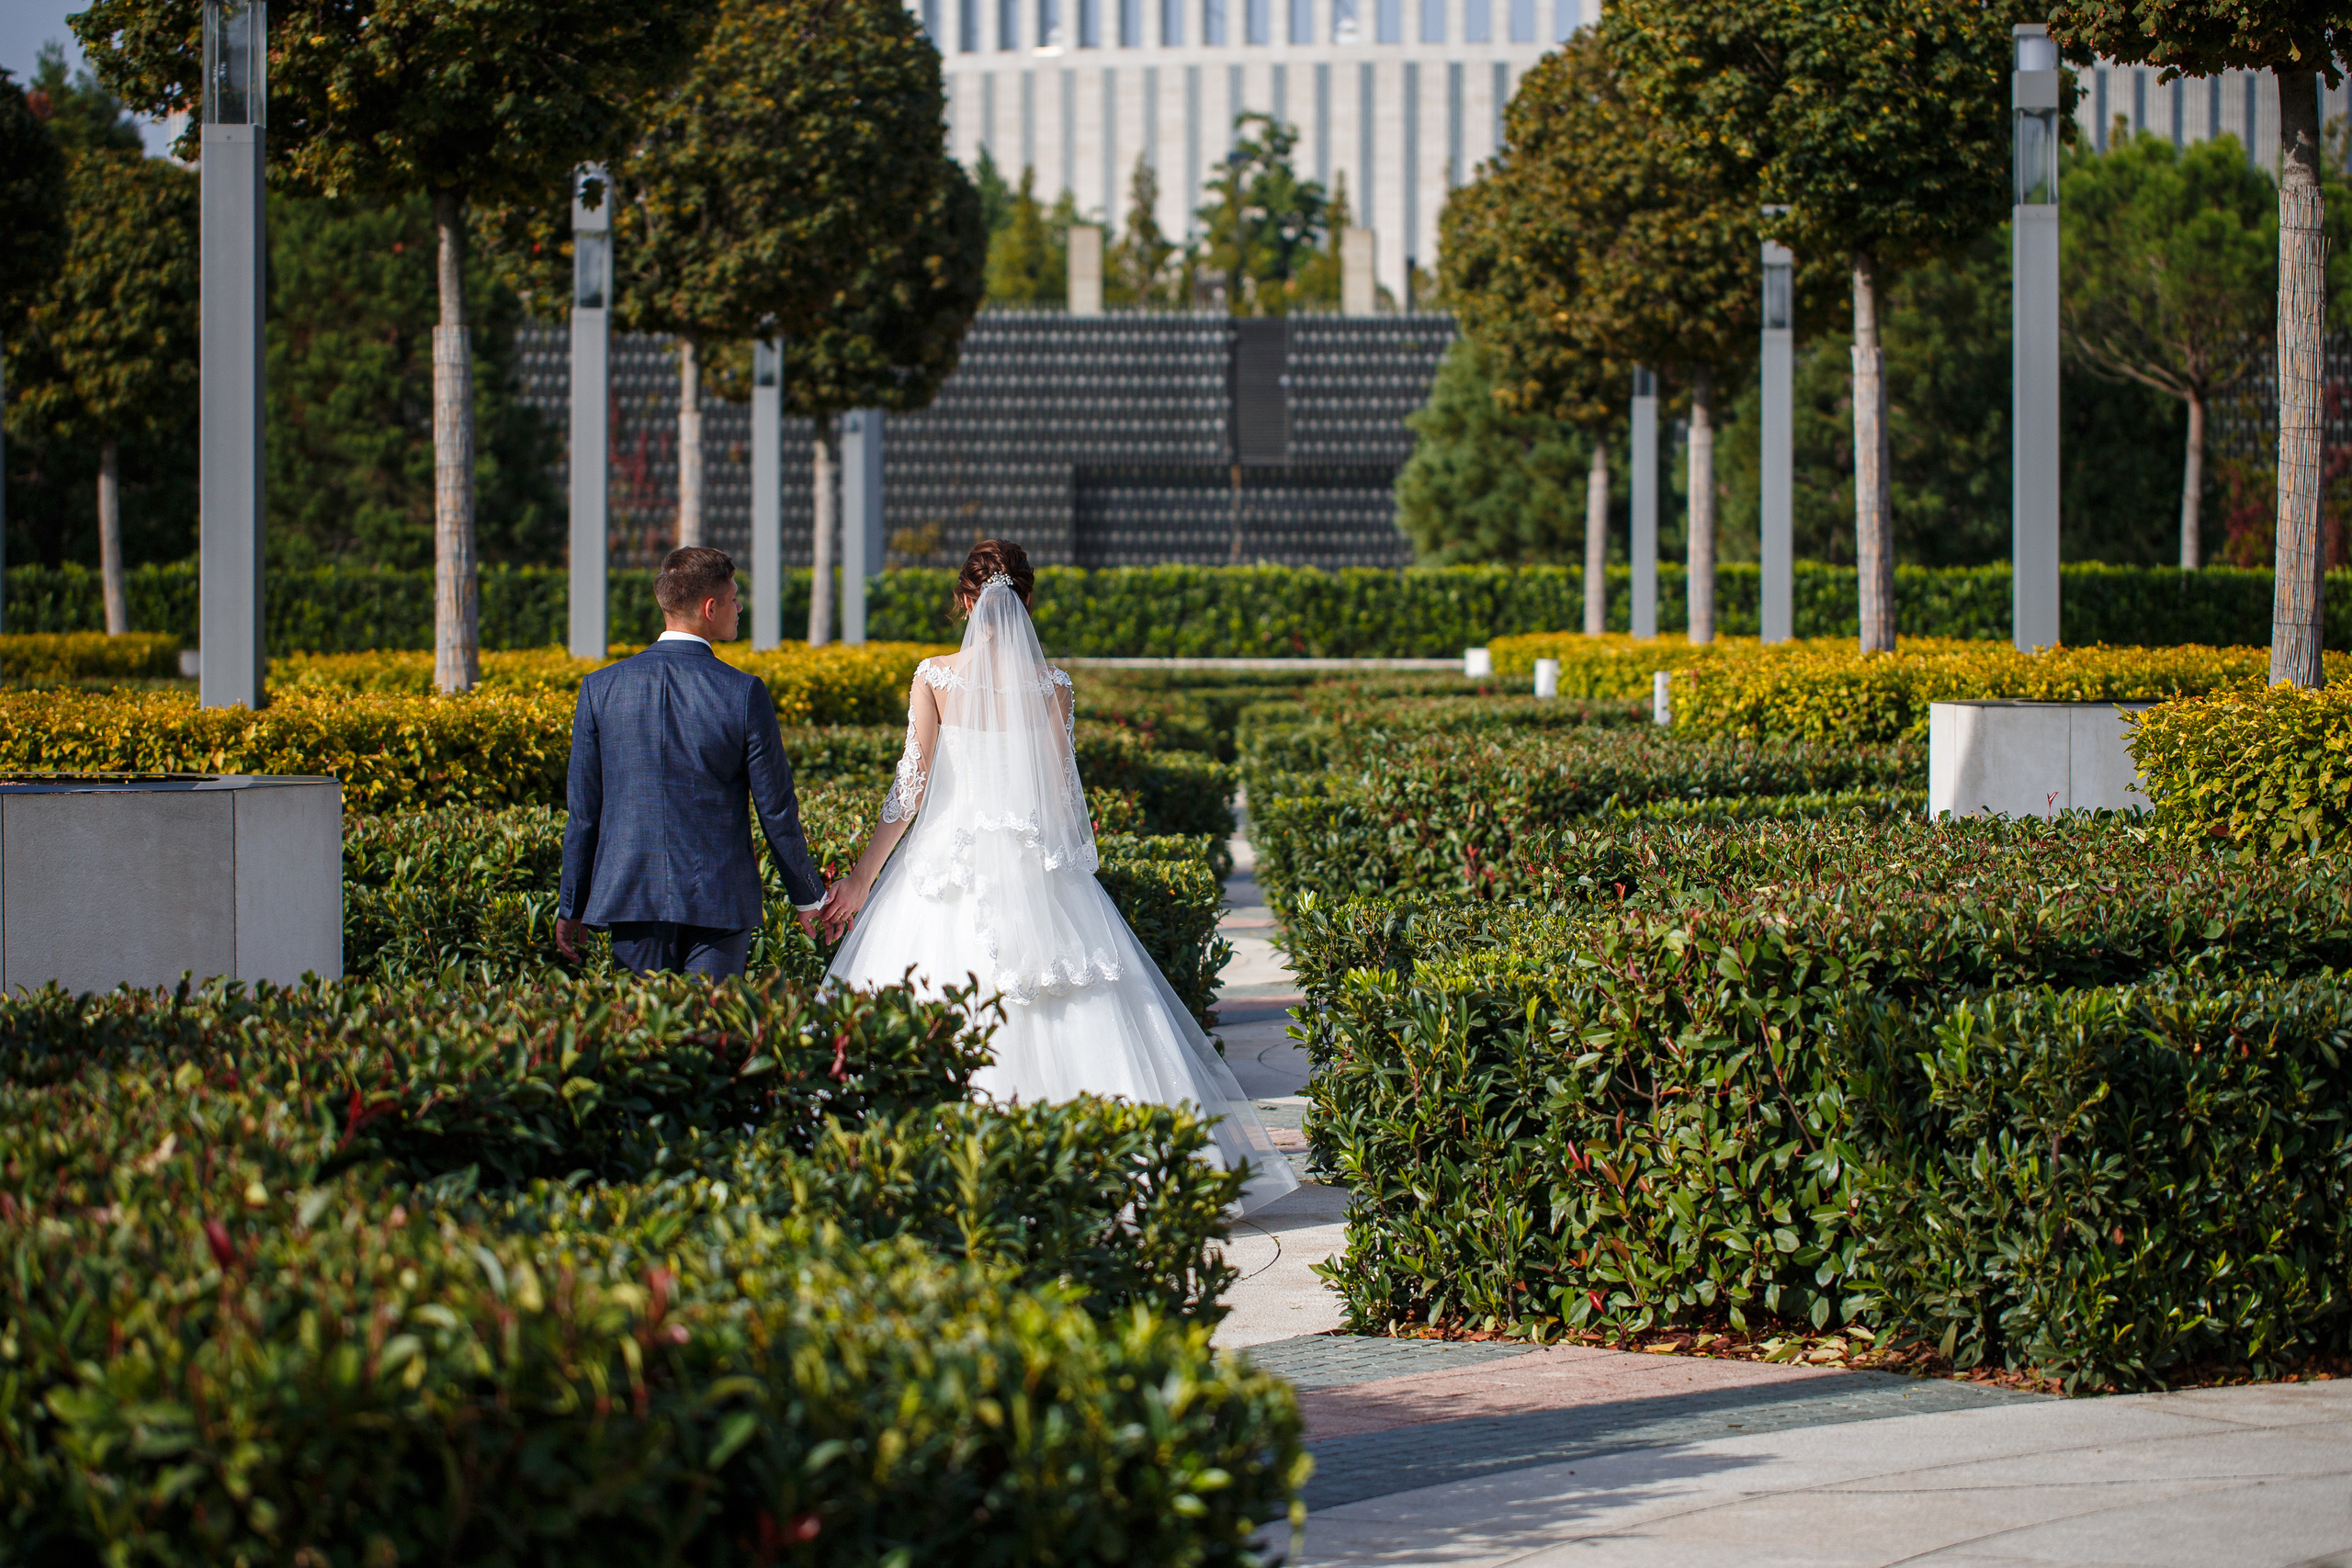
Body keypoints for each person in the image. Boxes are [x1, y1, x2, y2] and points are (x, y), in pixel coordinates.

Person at [818, 539, 1296, 1213]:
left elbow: (910, 791)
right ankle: (1097, 1178)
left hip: (943, 866)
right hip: (1035, 865)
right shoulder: (1055, 686)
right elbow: (1063, 797)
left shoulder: (935, 675)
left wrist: (866, 876)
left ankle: (930, 1181)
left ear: (964, 602)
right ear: (1028, 602)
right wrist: (1064, 869)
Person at [555, 546, 826, 978]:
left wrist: (572, 903)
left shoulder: (600, 688)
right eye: (735, 598)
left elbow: (585, 812)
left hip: (631, 895)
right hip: (719, 899)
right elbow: (776, 810)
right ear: (710, 607)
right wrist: (808, 898)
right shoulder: (743, 692)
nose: (740, 608)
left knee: (643, 1035)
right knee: (711, 1035)